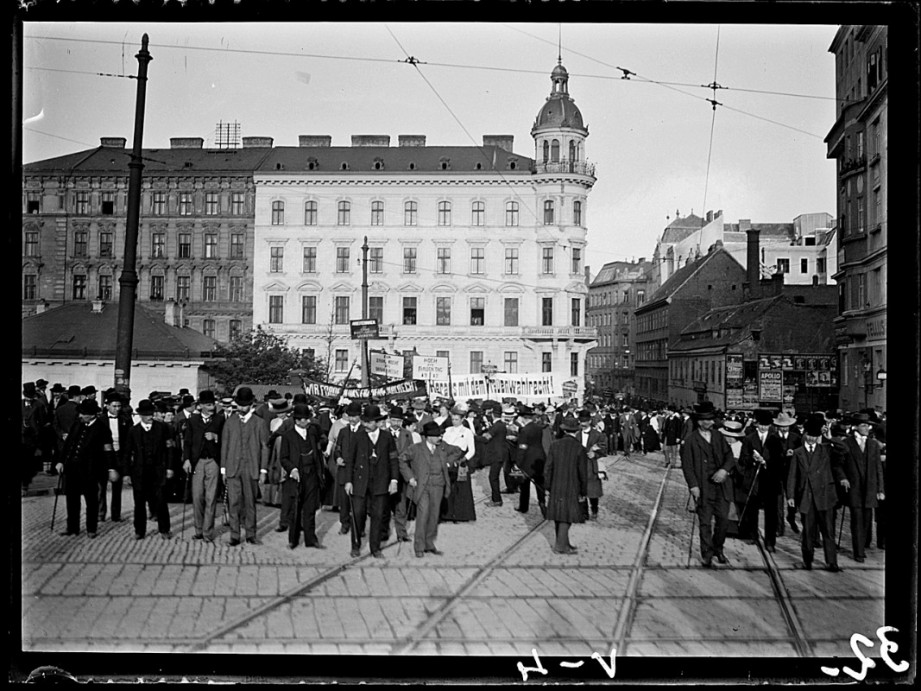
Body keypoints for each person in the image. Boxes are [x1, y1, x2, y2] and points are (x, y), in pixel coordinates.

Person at [681, 401, 736, 568]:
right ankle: (707, 553)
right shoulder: (691, 440)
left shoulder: (719, 436)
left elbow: (729, 456)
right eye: (708, 420)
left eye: (712, 419)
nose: (712, 422)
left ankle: (718, 548)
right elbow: (687, 466)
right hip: (703, 488)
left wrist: (724, 471)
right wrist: (693, 486)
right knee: (704, 522)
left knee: (723, 521)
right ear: (700, 421)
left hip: (721, 487)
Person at [786, 415, 844, 572]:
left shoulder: (826, 449)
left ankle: (832, 562)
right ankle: (807, 561)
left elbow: (843, 450)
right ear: (804, 435)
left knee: (828, 532)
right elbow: (792, 476)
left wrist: (829, 437)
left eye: (814, 436)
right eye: (809, 435)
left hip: (825, 497)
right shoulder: (798, 453)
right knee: (808, 533)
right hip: (807, 498)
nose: (811, 439)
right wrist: (790, 497)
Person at [399, 421, 464, 558]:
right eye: (437, 436)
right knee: (423, 515)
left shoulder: (443, 447)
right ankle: (419, 547)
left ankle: (429, 544)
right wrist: (410, 477)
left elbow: (458, 451)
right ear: (428, 436)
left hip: (438, 485)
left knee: (434, 515)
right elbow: (401, 460)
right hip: (422, 486)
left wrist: (448, 462)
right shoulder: (415, 448)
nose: (440, 438)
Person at [344, 404, 399, 558]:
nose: (365, 425)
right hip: (360, 482)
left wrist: (393, 480)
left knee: (378, 515)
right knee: (358, 513)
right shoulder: (357, 437)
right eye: (364, 422)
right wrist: (349, 481)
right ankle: (356, 545)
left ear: (376, 422)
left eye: (368, 422)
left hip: (381, 482)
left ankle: (375, 548)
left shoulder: (387, 437)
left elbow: (393, 460)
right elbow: (350, 461)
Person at [56, 398, 115, 538]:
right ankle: (72, 528)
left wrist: (111, 468)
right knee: (72, 500)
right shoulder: (77, 425)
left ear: (92, 414)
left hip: (91, 471)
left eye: (83, 414)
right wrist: (61, 461)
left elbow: (108, 450)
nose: (80, 416)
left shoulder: (102, 429)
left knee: (92, 501)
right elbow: (68, 445)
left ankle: (91, 528)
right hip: (72, 469)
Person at [220, 386, 271, 546]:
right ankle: (234, 535)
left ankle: (251, 534)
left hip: (252, 468)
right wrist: (223, 468)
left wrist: (263, 470)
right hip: (232, 467)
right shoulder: (230, 422)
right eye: (239, 405)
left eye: (244, 405)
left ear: (251, 405)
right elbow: (225, 446)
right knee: (233, 503)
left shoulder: (260, 423)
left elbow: (264, 447)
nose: (241, 408)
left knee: (250, 503)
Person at [125, 399, 176, 539]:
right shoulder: (133, 431)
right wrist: (127, 473)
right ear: (140, 415)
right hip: (139, 473)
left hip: (158, 471)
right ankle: (139, 531)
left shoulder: (163, 428)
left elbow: (170, 449)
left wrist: (170, 467)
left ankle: (164, 529)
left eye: (151, 414)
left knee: (160, 501)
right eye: (146, 414)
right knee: (139, 503)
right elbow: (127, 453)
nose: (149, 417)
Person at [737, 409, 785, 553]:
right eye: (761, 425)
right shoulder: (749, 439)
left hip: (770, 481)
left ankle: (770, 542)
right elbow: (742, 459)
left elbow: (780, 460)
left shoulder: (776, 438)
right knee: (752, 510)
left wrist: (765, 462)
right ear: (757, 424)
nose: (763, 428)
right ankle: (752, 535)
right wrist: (752, 459)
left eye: (766, 425)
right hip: (754, 480)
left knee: (771, 513)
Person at [279, 403, 326, 549]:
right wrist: (292, 469)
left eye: (308, 418)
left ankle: (311, 539)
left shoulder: (312, 433)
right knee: (295, 509)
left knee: (310, 508)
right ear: (297, 420)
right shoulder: (288, 436)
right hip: (296, 476)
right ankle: (293, 539)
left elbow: (318, 452)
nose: (308, 421)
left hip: (311, 474)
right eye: (304, 419)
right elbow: (284, 458)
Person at [839, 413, 885, 562]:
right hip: (854, 489)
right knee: (857, 521)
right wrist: (843, 478)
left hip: (870, 489)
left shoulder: (873, 445)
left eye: (868, 425)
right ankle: (858, 552)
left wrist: (880, 490)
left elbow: (878, 469)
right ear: (855, 427)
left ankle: (863, 545)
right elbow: (838, 465)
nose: (867, 428)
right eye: (864, 425)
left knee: (866, 521)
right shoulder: (847, 443)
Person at [183, 390, 225, 542]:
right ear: (200, 406)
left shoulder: (220, 420)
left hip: (213, 461)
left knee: (211, 497)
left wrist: (216, 437)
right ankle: (198, 529)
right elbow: (187, 442)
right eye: (208, 404)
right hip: (197, 462)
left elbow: (225, 441)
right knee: (197, 496)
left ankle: (207, 532)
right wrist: (186, 460)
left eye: (213, 404)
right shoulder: (193, 421)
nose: (212, 407)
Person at [545, 415, 589, 554]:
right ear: (576, 431)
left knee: (559, 514)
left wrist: (548, 486)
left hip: (556, 485)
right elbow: (582, 472)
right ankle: (560, 546)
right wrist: (583, 490)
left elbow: (548, 468)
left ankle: (564, 542)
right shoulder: (579, 448)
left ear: (564, 430)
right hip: (572, 486)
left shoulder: (554, 445)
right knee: (567, 516)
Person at [97, 392, 132, 523]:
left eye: (119, 406)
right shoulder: (100, 420)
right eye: (114, 406)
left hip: (119, 455)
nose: (117, 409)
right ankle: (100, 513)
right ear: (107, 406)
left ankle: (116, 514)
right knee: (101, 487)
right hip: (104, 456)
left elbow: (129, 439)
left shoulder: (126, 419)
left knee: (117, 488)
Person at [331, 401, 364, 535]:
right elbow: (337, 449)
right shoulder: (343, 432)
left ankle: (359, 527)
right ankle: (345, 523)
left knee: (359, 503)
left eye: (354, 416)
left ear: (360, 417)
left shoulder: (364, 431)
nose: (351, 419)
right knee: (344, 501)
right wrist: (337, 458)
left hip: (359, 472)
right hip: (344, 470)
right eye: (349, 416)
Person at [441, 406, 477, 522]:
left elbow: (472, 450)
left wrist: (463, 459)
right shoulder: (447, 430)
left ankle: (461, 514)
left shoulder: (467, 432)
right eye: (453, 419)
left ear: (462, 420)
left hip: (460, 461)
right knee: (447, 486)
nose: (454, 421)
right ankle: (447, 514)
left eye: (457, 419)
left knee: (461, 488)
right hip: (448, 460)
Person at [385, 406, 415, 542]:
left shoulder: (407, 434)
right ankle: (383, 532)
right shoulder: (383, 433)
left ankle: (401, 533)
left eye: (398, 421)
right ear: (389, 420)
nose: (396, 423)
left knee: (401, 505)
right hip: (387, 473)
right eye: (393, 420)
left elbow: (412, 453)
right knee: (385, 505)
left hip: (402, 473)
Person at [772, 411, 802, 537]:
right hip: (777, 473)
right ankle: (779, 527)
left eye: (786, 426)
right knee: (778, 501)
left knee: (792, 498)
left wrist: (794, 453)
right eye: (781, 426)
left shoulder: (796, 438)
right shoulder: (772, 437)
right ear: (777, 426)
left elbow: (801, 453)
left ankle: (791, 517)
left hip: (792, 473)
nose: (784, 428)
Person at [514, 405, 547, 517]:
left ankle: (523, 507)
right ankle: (542, 502)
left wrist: (518, 463)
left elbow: (522, 448)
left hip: (527, 459)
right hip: (539, 457)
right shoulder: (538, 428)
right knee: (539, 483)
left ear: (523, 418)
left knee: (525, 485)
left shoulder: (524, 430)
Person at [261, 398, 293, 509]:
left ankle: (280, 499)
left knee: (282, 471)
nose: (280, 414)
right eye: (278, 412)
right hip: (274, 445)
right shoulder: (273, 422)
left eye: (282, 412)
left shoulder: (289, 422)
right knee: (272, 470)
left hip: (284, 446)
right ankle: (269, 498)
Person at [577, 409, 608, 520]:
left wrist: (594, 454)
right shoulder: (576, 434)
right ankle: (584, 513)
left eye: (584, 421)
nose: (582, 423)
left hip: (592, 466)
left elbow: (604, 449)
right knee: (581, 490)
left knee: (593, 491)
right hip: (579, 466)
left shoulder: (598, 435)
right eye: (580, 421)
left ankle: (594, 509)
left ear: (590, 421)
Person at [481, 402, 509, 507]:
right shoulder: (501, 425)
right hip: (501, 453)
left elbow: (486, 438)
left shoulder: (496, 426)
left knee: (493, 477)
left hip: (497, 454)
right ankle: (496, 499)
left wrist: (473, 436)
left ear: (492, 414)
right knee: (494, 476)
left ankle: (496, 500)